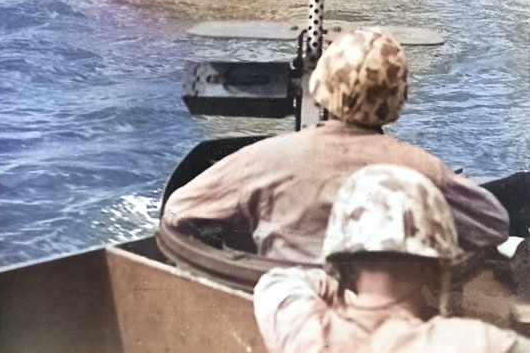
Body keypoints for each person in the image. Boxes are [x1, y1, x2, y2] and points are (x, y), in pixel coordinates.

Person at [161, 28, 508, 263]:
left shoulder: (263, 159)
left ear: (320, 87)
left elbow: (177, 212)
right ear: (397, 100)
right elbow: (492, 226)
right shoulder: (421, 169)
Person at [253, 164, 529, 353]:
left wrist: (336, 276)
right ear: (436, 268)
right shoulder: (476, 342)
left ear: (341, 259)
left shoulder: (304, 331)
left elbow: (278, 282)